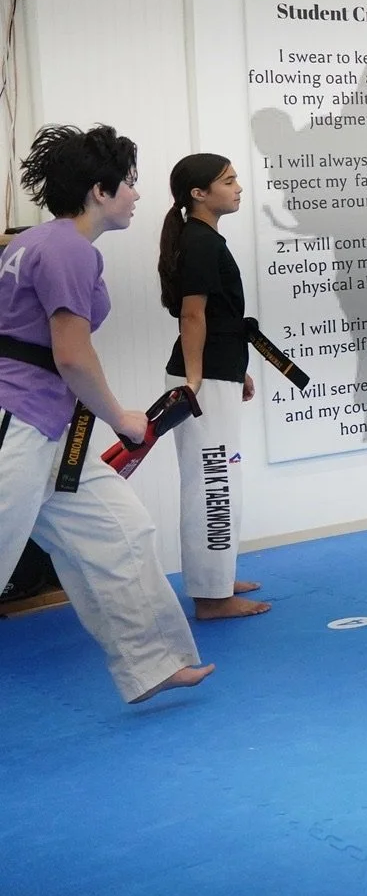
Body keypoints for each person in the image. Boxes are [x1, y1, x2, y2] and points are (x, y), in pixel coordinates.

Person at [0, 125, 213, 703]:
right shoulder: (67, 248)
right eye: (132, 183)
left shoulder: (37, 241)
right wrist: (122, 417)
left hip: (48, 426)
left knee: (120, 534)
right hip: (16, 422)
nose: (138, 195)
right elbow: (71, 354)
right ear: (101, 190)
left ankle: (154, 663)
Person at [159, 153, 269, 619]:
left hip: (216, 372)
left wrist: (233, 369)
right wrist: (196, 379)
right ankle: (211, 597)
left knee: (223, 478)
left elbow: (217, 317)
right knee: (214, 484)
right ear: (199, 194)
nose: (239, 186)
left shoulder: (205, 238)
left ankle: (216, 578)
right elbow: (193, 313)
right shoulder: (201, 242)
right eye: (228, 180)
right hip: (203, 380)